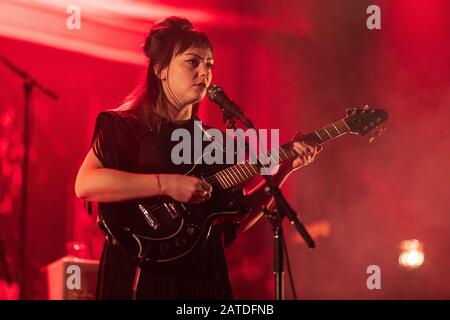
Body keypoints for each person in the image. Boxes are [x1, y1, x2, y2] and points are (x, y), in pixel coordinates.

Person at [75, 16, 321, 300]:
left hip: (202, 275)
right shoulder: (125, 125)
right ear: (160, 69)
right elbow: (86, 183)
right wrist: (168, 184)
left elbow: (234, 223)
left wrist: (284, 168)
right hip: (140, 270)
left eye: (210, 65)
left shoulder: (214, 141)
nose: (205, 72)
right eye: (192, 62)